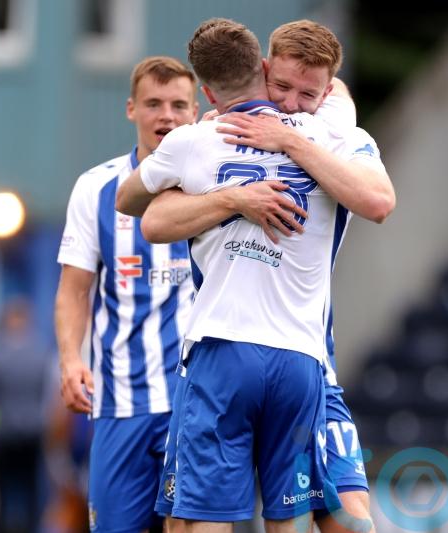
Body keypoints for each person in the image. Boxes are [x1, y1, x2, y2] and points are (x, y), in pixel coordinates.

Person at [116, 18, 395, 532]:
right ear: (263, 69)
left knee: (200, 518)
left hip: (229, 350)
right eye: (282, 88)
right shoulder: (337, 133)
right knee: (304, 517)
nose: (289, 103)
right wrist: (238, 195)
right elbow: (353, 132)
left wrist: (281, 147)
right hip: (301, 360)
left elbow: (135, 206)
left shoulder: (199, 139)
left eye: (305, 94)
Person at [54, 55, 305, 533]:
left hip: (196, 399)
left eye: (176, 105)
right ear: (131, 109)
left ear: (196, 112)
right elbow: (74, 290)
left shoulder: (222, 176)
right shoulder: (97, 187)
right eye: (152, 103)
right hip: (121, 401)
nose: (165, 116)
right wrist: (70, 360)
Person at [0, 298, 52, 533]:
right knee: (32, 492)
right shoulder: (40, 353)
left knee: (2, 494)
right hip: (34, 431)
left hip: (5, 432)